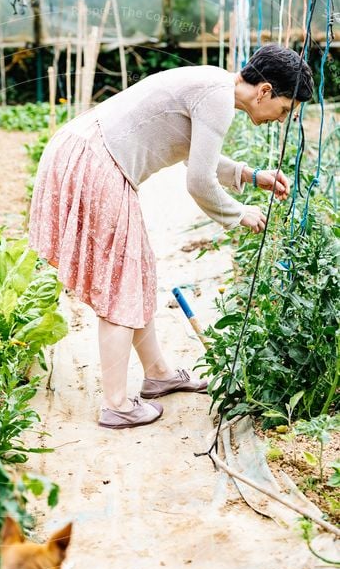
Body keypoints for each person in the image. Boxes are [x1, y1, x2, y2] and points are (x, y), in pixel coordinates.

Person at [29, 44, 314, 429]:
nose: (280, 120)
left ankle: (158, 373)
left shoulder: (215, 85)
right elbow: (199, 181)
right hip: (100, 162)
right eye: (283, 110)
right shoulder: (219, 99)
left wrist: (249, 175)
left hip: (88, 152)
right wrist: (239, 214)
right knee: (121, 283)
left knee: (137, 272)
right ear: (264, 90)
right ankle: (115, 404)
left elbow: (193, 152)